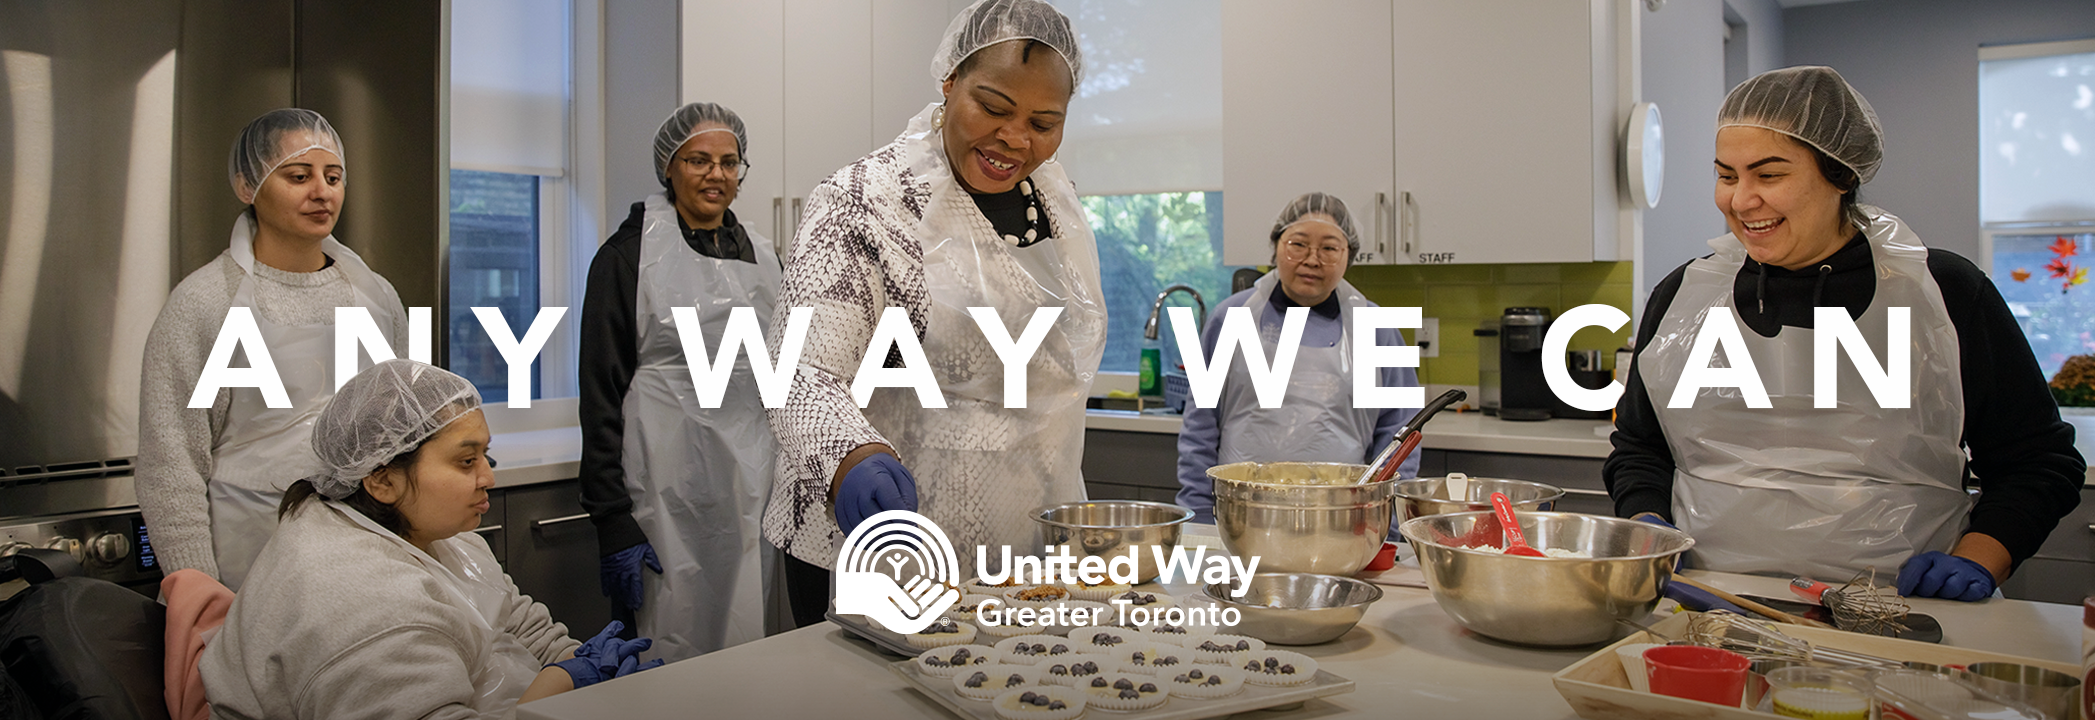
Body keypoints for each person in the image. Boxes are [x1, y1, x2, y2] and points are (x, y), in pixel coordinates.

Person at [1605, 67, 2083, 601]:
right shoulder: (1685, 295)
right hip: (1708, 602)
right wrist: (1648, 526)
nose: (1740, 201)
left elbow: (2037, 461)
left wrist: (1978, 561)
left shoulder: (1940, 292)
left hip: (1904, 611)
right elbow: (1640, 448)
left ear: (1840, 175)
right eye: (1727, 175)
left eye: (1768, 176)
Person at [762, 0, 1105, 627]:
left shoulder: (1059, 201)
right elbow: (800, 373)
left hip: (1017, 535)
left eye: (1044, 121)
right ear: (949, 82)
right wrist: (852, 457)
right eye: (994, 108)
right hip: (879, 526)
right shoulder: (864, 201)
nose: (1016, 139)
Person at [200, 359, 660, 719]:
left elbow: (519, 625)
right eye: (465, 462)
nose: (488, 478)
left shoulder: (434, 534)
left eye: (487, 455)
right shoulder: (359, 605)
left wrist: (589, 667)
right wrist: (562, 684)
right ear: (381, 479)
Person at [137, 109, 410, 591]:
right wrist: (198, 588)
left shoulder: (377, 298)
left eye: (334, 176)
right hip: (250, 565)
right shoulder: (204, 303)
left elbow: (405, 434)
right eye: (299, 176)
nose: (322, 191)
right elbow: (172, 461)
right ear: (247, 187)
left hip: (369, 558)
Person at [577, 102, 783, 661]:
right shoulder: (625, 258)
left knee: (748, 641)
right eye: (698, 160)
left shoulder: (766, 258)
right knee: (666, 646)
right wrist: (613, 520)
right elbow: (599, 396)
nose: (716, 175)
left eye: (729, 162)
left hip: (749, 489)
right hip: (661, 493)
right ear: (668, 167)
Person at [1174, 193, 1423, 525]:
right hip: (1238, 519)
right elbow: (1199, 427)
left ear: (1350, 256)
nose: (1312, 259)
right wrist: (1200, 515)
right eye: (1298, 244)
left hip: (1342, 522)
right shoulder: (1231, 317)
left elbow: (1400, 437)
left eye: (1330, 248)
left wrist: (1383, 522)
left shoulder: (1376, 328)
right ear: (1276, 246)